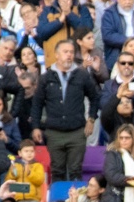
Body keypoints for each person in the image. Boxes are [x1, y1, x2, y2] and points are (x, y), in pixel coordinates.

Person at [31, 40, 100, 181]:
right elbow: (37, 103)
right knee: (57, 170)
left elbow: (95, 98)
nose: (69, 55)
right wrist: (36, 127)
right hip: (54, 132)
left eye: (71, 52)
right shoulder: (46, 77)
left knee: (75, 171)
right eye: (65, 52)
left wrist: (91, 119)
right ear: (56, 55)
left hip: (77, 132)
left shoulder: (82, 75)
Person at [5, 138, 44, 202]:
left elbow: (40, 180)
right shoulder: (17, 166)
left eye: (32, 151)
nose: (29, 153)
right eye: (26, 151)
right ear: (20, 153)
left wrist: (29, 172)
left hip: (33, 198)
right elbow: (9, 181)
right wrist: (12, 172)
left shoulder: (38, 166)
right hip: (19, 199)